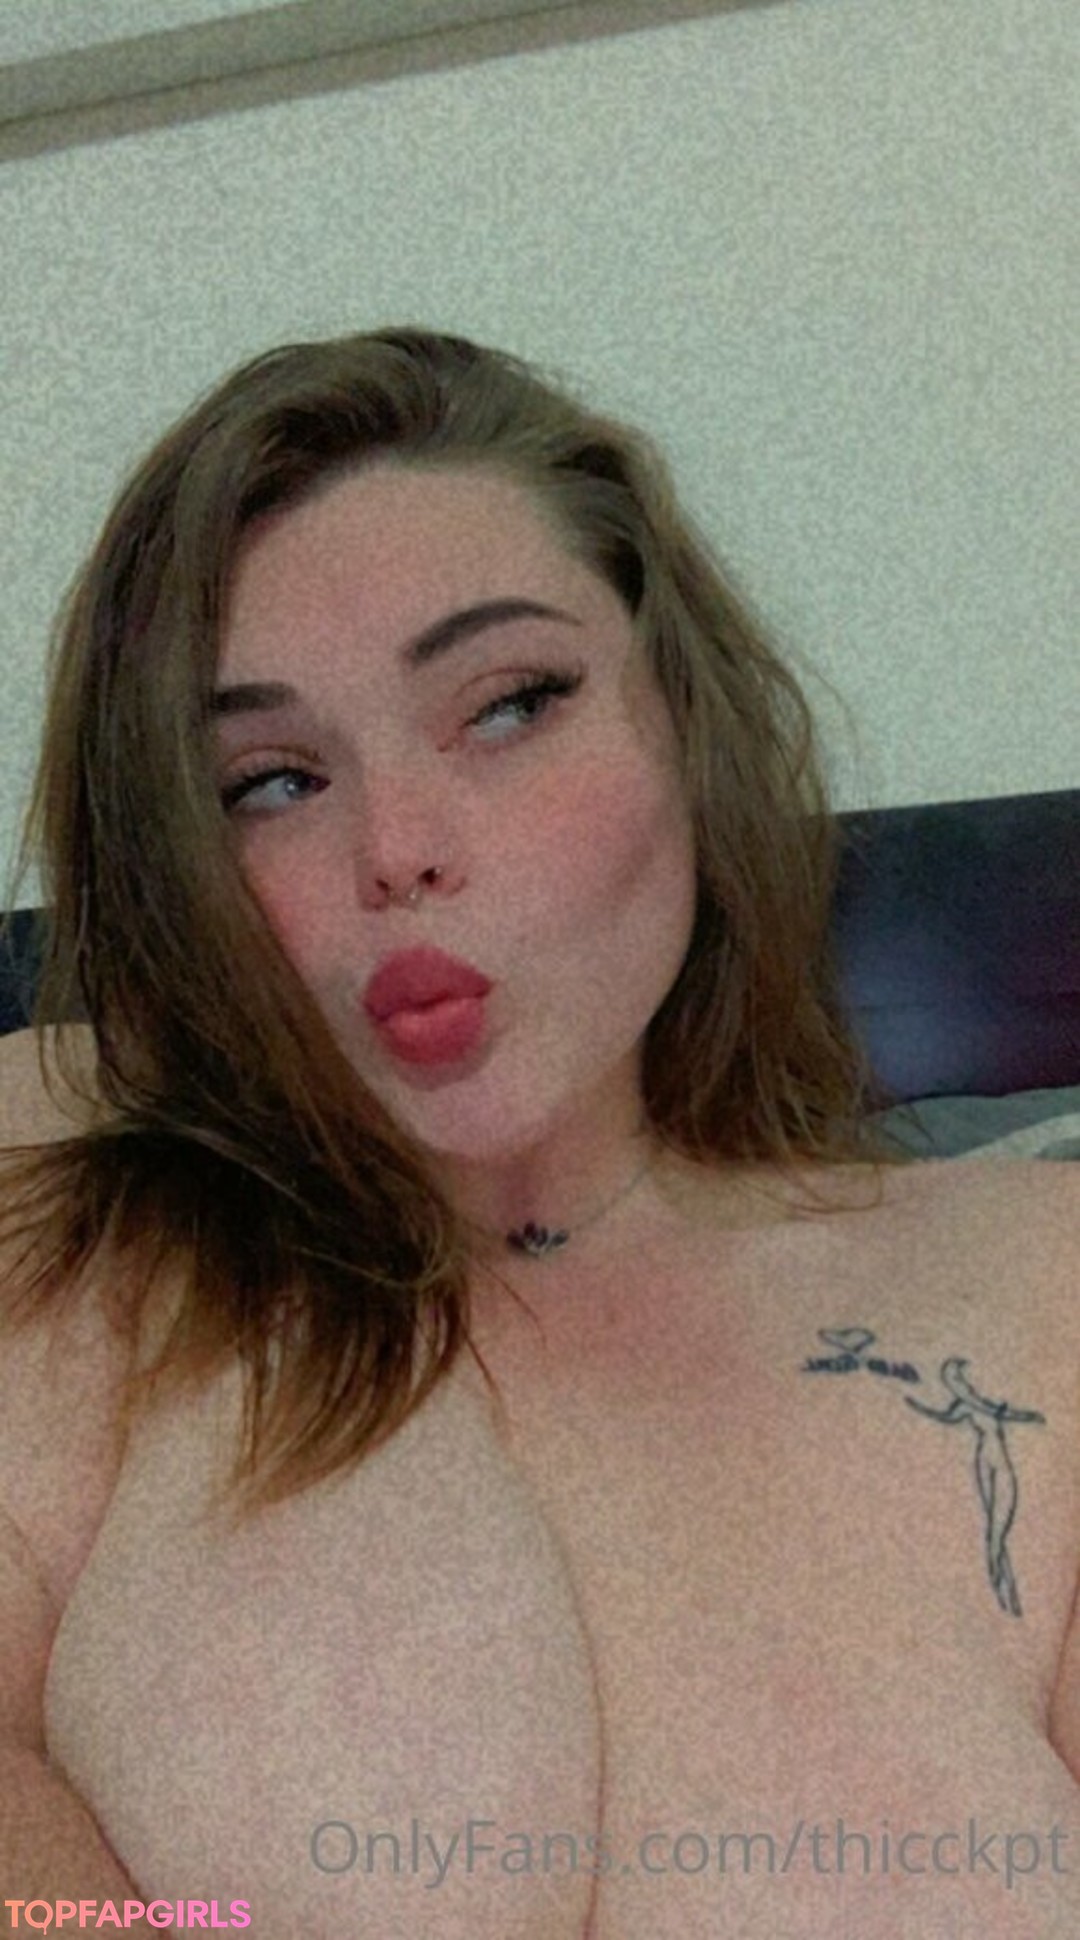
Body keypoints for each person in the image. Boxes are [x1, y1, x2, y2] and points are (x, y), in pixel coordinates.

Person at [0, 326, 1076, 1940]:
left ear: (685, 725)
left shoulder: (1041, 1287)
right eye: (269, 783)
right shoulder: (74, 1224)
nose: (398, 847)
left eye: (509, 705)